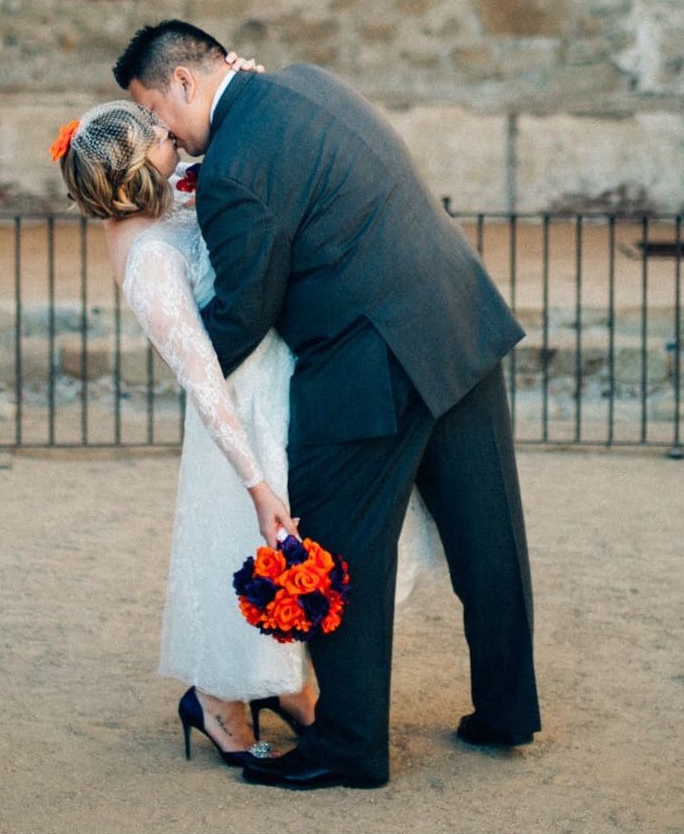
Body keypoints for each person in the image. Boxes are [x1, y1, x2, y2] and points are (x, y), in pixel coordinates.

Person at [116, 20, 542, 792]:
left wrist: (185, 352)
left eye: (154, 108)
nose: (159, 128)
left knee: (340, 549)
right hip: (457, 315)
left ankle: (348, 746)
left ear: (184, 81)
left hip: (371, 363)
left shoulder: (235, 166)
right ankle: (507, 709)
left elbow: (244, 314)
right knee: (489, 538)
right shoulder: (307, 81)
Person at [53, 88, 443, 770]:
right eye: (157, 135)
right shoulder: (145, 262)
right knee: (246, 547)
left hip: (279, 385)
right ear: (138, 171)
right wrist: (257, 484)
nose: (170, 133)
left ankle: (286, 683)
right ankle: (214, 702)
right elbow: (204, 379)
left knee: (308, 540)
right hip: (238, 419)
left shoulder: (168, 192)